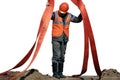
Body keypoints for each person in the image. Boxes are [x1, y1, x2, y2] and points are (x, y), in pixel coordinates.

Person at [50, 2, 82, 79]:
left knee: (62, 56)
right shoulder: (54, 14)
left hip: (64, 38)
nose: (62, 14)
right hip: (56, 38)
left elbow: (78, 20)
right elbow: (47, 16)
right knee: (56, 55)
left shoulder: (69, 15)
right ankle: (55, 73)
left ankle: (60, 73)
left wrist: (82, 13)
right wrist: (48, 7)